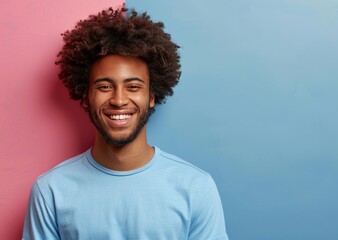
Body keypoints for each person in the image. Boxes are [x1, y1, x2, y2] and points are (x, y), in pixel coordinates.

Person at [22, 6, 228, 240]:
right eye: (104, 87)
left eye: (133, 87)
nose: (119, 100)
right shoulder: (51, 191)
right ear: (85, 97)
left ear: (151, 97)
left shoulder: (195, 188)